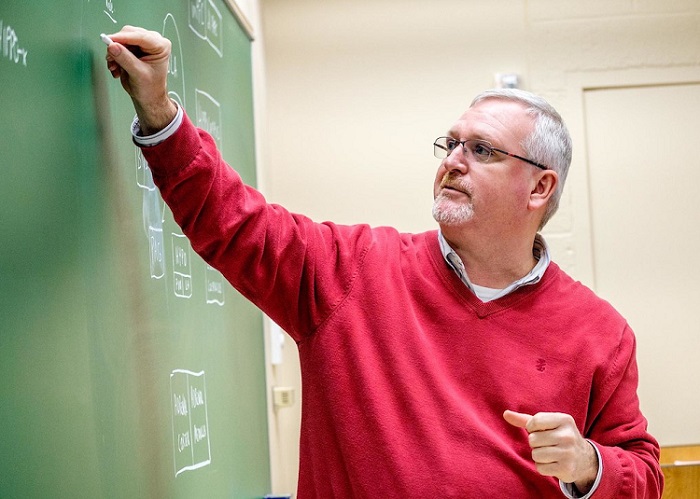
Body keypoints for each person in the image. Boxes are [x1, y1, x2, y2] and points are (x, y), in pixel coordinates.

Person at [104, 26, 664, 498]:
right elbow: (234, 224)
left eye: (482, 150)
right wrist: (158, 111)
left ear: (540, 187)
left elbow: (643, 471)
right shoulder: (352, 269)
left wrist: (590, 465)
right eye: (451, 145)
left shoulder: (600, 332)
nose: (454, 163)